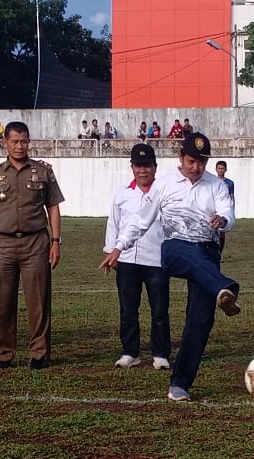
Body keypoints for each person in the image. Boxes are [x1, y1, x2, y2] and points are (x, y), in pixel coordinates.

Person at [100, 133, 239, 402]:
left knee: (200, 321)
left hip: (207, 253)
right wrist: (119, 247)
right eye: (191, 161)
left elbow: (229, 212)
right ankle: (224, 286)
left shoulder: (216, 186)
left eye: (201, 162)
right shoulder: (164, 185)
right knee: (185, 256)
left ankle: (179, 384)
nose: (195, 167)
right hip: (174, 249)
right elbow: (141, 221)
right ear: (180, 158)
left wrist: (223, 220)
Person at [0, 121, 65, 370]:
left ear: (29, 142)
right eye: (14, 141)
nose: (19, 146)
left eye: (23, 141)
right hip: (2, 244)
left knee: (38, 301)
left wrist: (56, 241)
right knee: (1, 302)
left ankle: (39, 353)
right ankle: (2, 354)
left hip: (36, 242)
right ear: (4, 142)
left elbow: (53, 207)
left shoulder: (43, 172)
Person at [102, 144, 172, 370]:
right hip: (127, 260)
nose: (143, 171)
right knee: (128, 309)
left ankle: (160, 354)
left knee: (159, 310)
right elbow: (113, 223)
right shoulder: (122, 193)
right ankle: (130, 352)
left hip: (156, 261)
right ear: (132, 167)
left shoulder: (164, 194)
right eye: (139, 166)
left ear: (155, 167)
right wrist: (110, 252)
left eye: (147, 166)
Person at [215, 160, 235, 252]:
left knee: (222, 231)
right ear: (216, 169)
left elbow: (231, 196)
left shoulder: (229, 183)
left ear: (225, 170)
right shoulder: (213, 182)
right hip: (215, 207)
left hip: (224, 208)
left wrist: (232, 207)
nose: (220, 170)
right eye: (219, 168)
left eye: (222, 168)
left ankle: (220, 251)